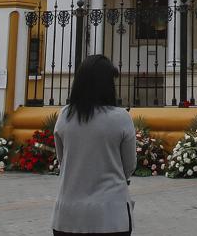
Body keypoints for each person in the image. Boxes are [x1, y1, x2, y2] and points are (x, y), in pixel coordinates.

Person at [52, 55, 136, 236]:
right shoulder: (121, 117)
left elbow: (62, 158)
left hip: (67, 216)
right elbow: (129, 166)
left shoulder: (64, 115)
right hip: (111, 216)